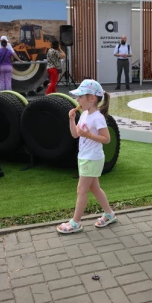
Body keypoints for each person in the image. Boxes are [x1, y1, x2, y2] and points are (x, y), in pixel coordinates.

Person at [57, 79, 115, 234]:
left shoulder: (98, 117)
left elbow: (107, 139)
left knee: (81, 190)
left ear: (92, 99)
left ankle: (75, 222)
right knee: (94, 188)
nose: (78, 100)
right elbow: (75, 134)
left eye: (80, 97)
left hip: (92, 158)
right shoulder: (84, 115)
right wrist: (71, 119)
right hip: (85, 156)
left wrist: (89, 135)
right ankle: (109, 214)